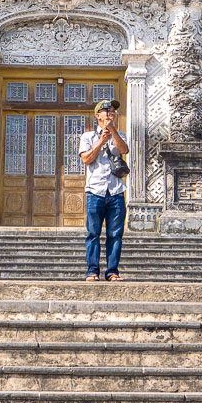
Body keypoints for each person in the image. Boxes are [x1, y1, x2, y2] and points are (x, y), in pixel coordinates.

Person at [79, 99, 128, 281]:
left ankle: (113, 271)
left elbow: (124, 149)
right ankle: (92, 271)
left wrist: (112, 131)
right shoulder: (88, 137)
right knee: (93, 233)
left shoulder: (119, 134)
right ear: (98, 115)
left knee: (115, 234)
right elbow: (86, 159)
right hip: (95, 191)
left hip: (115, 191)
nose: (110, 113)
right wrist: (101, 141)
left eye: (113, 111)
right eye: (106, 111)